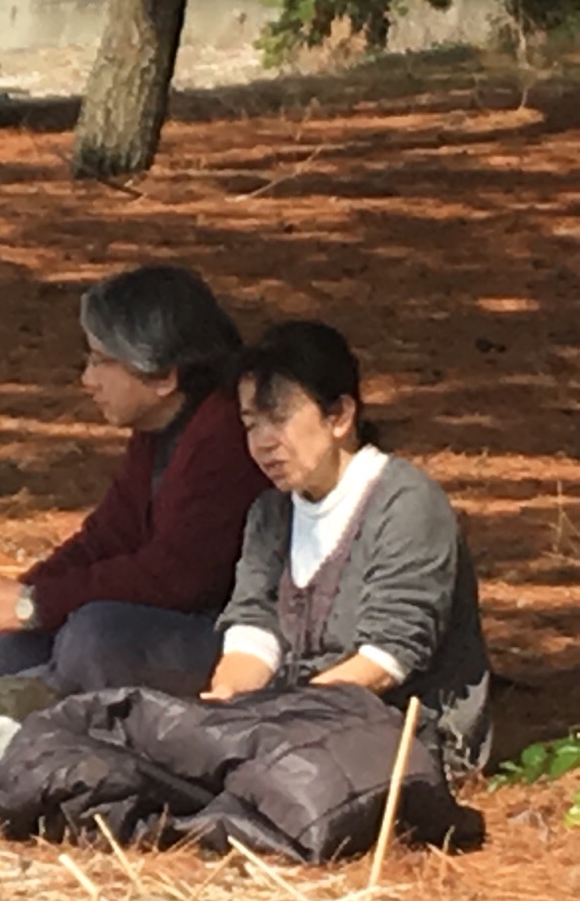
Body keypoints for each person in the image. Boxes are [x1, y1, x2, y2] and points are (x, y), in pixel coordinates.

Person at [0, 267, 269, 770]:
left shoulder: (222, 440)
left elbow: (176, 577)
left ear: (163, 376)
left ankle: (0, 735)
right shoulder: (160, 429)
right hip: (168, 621)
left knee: (95, 634)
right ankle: (7, 726)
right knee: (20, 636)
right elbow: (107, 536)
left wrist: (33, 604)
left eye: (103, 362)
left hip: (234, 640)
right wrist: (18, 597)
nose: (88, 380)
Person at [203, 320, 492, 777]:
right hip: (302, 723)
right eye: (251, 424)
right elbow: (254, 626)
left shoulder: (406, 504)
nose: (263, 442)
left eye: (280, 419)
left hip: (410, 739)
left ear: (339, 416)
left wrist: (283, 716)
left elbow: (389, 659)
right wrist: (230, 697)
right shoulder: (270, 513)